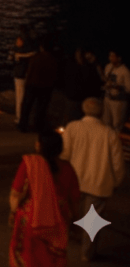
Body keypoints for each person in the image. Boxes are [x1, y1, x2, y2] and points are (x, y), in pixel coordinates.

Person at [61, 98, 126, 262]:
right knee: (92, 222)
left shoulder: (72, 128)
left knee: (70, 213)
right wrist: (116, 182)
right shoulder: (109, 134)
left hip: (75, 180)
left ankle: (65, 242)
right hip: (99, 183)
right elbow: (118, 164)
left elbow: (65, 155)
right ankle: (87, 253)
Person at [8, 132, 81, 267]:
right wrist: (76, 221)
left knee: (29, 258)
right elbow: (75, 201)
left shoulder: (29, 164)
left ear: (40, 147)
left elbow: (15, 194)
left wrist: (13, 212)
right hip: (58, 222)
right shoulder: (67, 168)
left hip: (31, 222)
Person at [18, 40, 57, 133]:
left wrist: (27, 83)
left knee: (27, 106)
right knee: (41, 108)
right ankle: (38, 126)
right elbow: (54, 74)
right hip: (46, 86)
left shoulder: (36, 57)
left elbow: (30, 71)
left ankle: (23, 125)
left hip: (33, 84)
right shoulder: (53, 59)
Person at [12, 34, 37, 124]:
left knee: (20, 98)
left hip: (20, 76)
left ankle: (19, 118)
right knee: (23, 97)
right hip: (25, 76)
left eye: (19, 41)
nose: (17, 42)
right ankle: (23, 117)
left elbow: (16, 58)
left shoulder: (18, 52)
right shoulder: (30, 53)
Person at [102, 51, 130, 131]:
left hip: (118, 102)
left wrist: (116, 86)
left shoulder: (125, 71)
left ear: (119, 58)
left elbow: (128, 89)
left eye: (113, 56)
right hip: (107, 99)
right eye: (110, 55)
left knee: (117, 124)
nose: (110, 58)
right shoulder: (108, 67)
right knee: (106, 123)